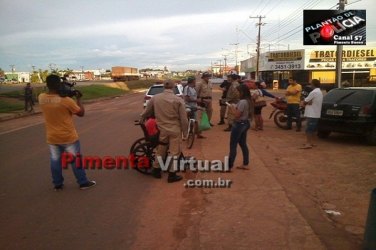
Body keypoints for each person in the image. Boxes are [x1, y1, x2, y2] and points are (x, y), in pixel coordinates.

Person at [38, 74, 96, 191]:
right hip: (68, 137)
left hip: (52, 137)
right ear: (59, 84)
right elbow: (81, 113)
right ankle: (83, 183)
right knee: (75, 161)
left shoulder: (41, 97)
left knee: (55, 161)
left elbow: (54, 98)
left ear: (47, 85)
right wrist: (78, 99)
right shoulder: (66, 101)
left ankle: (57, 185)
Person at [141, 80, 188, 183]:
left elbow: (146, 111)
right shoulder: (178, 100)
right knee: (174, 152)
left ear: (163, 87)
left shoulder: (155, 98)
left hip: (162, 129)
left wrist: (141, 119)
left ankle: (156, 170)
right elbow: (184, 119)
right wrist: (185, 133)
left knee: (161, 150)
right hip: (174, 130)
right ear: (173, 87)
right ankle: (172, 175)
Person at [227, 84, 253, 170]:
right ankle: (245, 164)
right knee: (243, 144)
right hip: (246, 123)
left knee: (233, 145)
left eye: (238, 91)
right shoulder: (249, 100)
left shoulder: (242, 102)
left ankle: (229, 166)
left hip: (239, 124)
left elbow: (237, 115)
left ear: (242, 92)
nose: (237, 93)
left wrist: (232, 108)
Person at [300, 79, 323, 149]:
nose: (310, 85)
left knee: (309, 129)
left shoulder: (314, 92)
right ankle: (311, 142)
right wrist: (308, 102)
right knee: (313, 129)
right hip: (316, 113)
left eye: (311, 84)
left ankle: (308, 143)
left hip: (312, 113)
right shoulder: (319, 92)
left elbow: (305, 101)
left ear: (313, 84)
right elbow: (308, 102)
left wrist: (305, 103)